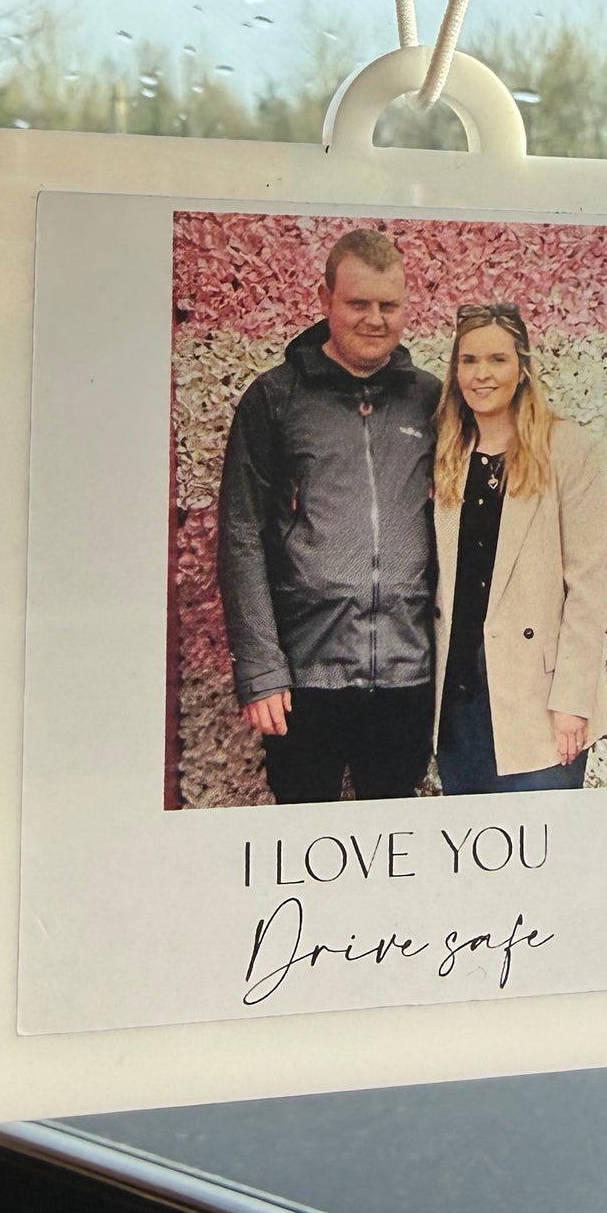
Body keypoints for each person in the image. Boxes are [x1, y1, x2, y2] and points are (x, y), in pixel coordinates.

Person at [216, 227, 442, 804]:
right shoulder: (276, 398)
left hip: (407, 675)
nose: (375, 319)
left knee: (392, 839)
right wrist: (261, 670)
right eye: (358, 303)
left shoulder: (431, 400)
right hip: (304, 678)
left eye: (389, 305)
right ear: (325, 300)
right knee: (304, 838)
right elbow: (241, 534)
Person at [432, 302, 607, 793]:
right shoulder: (447, 452)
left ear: (522, 368)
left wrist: (572, 701)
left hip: (540, 704)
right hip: (460, 702)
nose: (482, 374)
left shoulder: (566, 448)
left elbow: (587, 588)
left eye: (497, 359)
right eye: (469, 360)